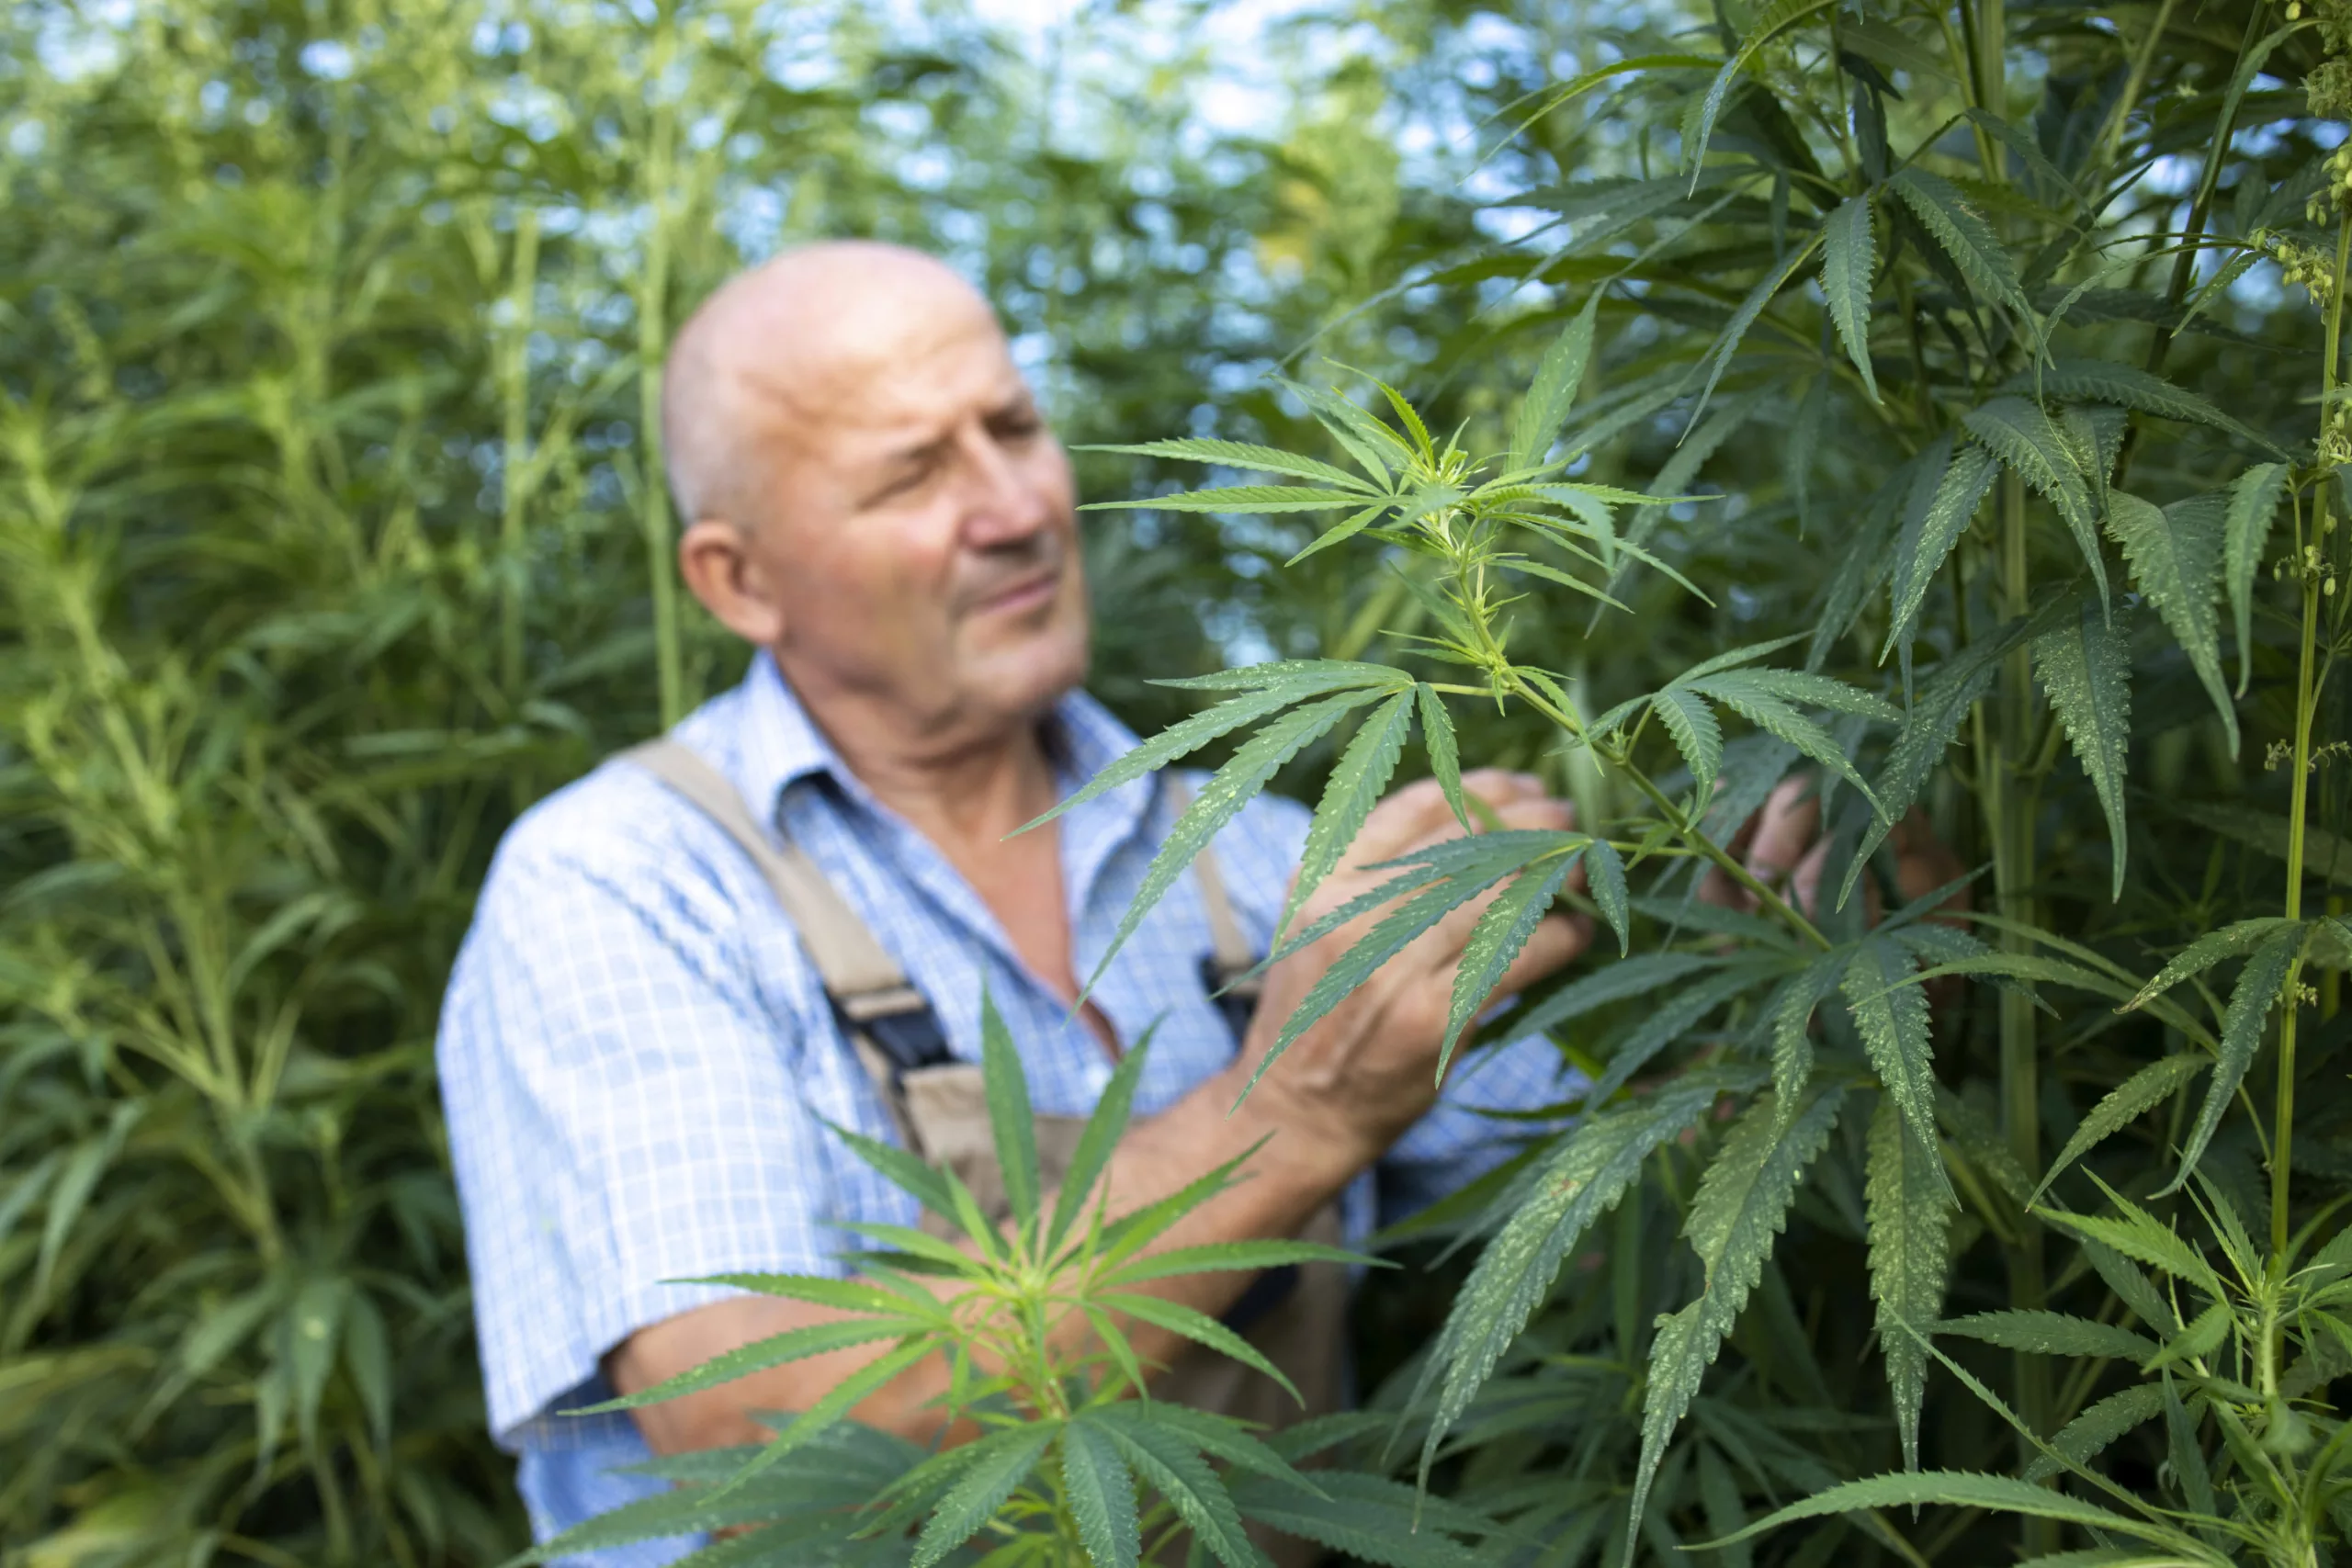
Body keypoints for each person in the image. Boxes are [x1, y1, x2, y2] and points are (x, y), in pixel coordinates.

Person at [435, 241, 1947, 1566]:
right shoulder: (625, 884)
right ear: (738, 581)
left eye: (1013, 428)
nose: (1014, 506)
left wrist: (1810, 993)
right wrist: (1287, 1114)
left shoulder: (1267, 852)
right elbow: (749, 1438)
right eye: (911, 473)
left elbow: (1612, 1218)